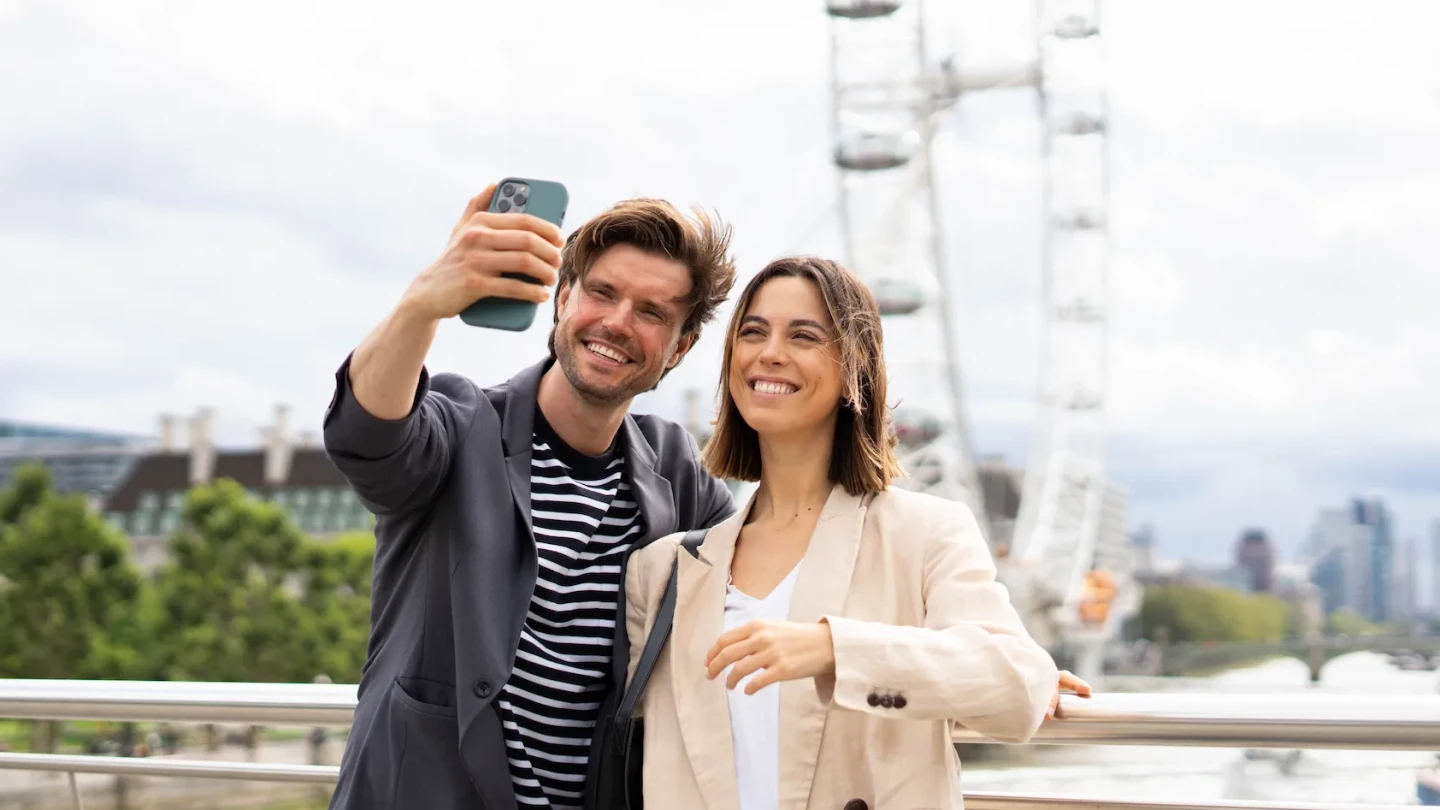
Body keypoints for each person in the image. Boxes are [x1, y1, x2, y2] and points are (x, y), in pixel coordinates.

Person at [322, 183, 740, 810]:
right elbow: (366, 437)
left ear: (680, 348)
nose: (618, 322)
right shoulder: (462, 426)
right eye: (602, 293)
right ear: (563, 298)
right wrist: (422, 305)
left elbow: (770, 573)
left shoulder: (677, 473)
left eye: (652, 312)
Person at [624, 256, 1091, 810]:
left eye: (803, 335)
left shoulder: (925, 534)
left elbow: (1016, 686)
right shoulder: (663, 572)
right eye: (753, 332)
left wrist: (834, 648)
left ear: (854, 371)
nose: (770, 352)